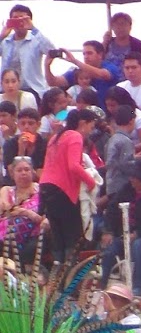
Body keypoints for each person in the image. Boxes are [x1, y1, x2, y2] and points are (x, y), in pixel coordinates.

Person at [37, 107, 96, 265]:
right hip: (63, 190)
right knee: (72, 238)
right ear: (83, 123)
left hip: (46, 188)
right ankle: (70, 282)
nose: (90, 131)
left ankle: (57, 280)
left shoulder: (55, 137)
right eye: (91, 127)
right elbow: (73, 166)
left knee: (58, 239)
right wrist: (91, 182)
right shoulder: (75, 136)